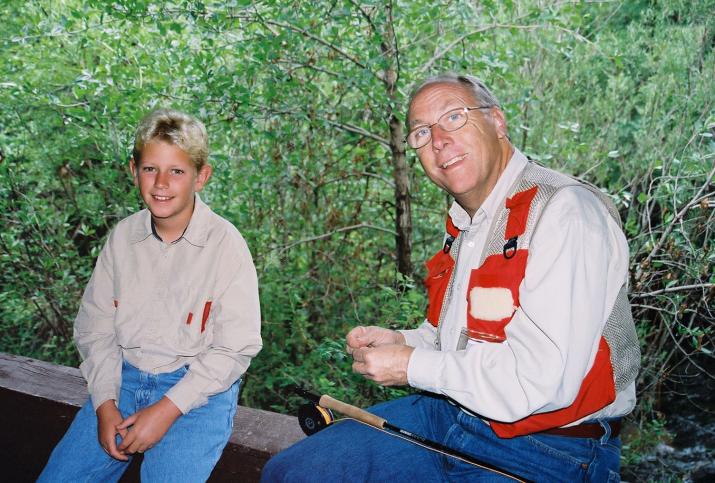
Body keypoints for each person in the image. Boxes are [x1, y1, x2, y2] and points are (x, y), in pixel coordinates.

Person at [261, 74, 640, 482]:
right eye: (421, 132)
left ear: (498, 122)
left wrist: (411, 366)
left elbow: (542, 384)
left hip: (551, 448)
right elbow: (461, 344)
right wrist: (404, 341)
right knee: (293, 473)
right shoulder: (466, 226)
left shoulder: (565, 213)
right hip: (449, 416)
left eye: (454, 117)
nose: (438, 139)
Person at [38, 108, 262, 482]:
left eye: (176, 171)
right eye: (149, 169)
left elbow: (234, 348)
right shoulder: (123, 239)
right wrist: (106, 405)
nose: (161, 183)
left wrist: (167, 409)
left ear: (201, 176)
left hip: (197, 391)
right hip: (121, 379)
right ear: (133, 171)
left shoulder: (226, 246)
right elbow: (95, 329)